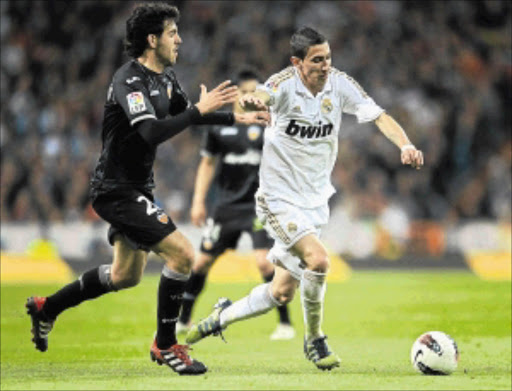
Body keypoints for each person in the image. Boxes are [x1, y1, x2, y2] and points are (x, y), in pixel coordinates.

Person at [25, 3, 269, 376]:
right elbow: (152, 131)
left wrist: (237, 117)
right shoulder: (129, 80)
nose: (180, 39)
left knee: (125, 276)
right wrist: (197, 111)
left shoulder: (165, 80)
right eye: (173, 33)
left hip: (137, 187)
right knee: (183, 255)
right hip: (115, 189)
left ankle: (47, 308)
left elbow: (192, 113)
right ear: (152, 39)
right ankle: (166, 344)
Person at [185, 27, 424, 371]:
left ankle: (221, 316)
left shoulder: (340, 84)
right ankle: (314, 339)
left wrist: (405, 144)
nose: (325, 65)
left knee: (280, 292)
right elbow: (264, 96)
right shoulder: (283, 84)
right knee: (319, 261)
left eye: (327, 57)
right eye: (316, 60)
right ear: (297, 63)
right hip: (278, 198)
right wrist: (255, 101)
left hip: (316, 201)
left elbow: (379, 116)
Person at [176, 68, 295, 341]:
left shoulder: (268, 125)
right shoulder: (219, 127)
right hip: (225, 207)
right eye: (245, 92)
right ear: (235, 96)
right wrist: (197, 202)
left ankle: (285, 325)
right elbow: (207, 164)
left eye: (255, 92)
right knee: (202, 261)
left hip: (258, 207)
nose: (250, 97)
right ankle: (183, 319)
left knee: (264, 263)